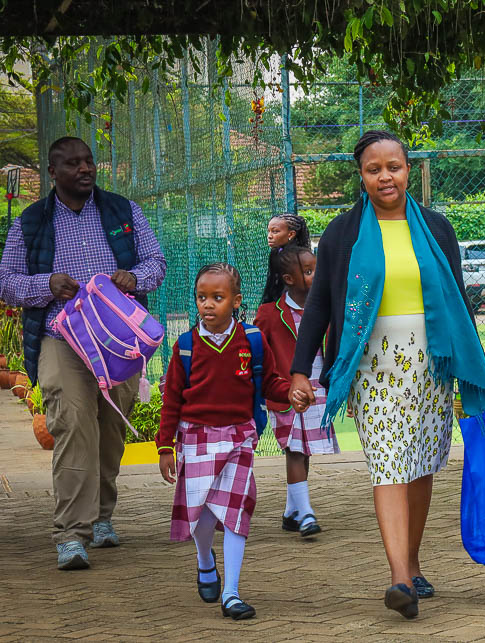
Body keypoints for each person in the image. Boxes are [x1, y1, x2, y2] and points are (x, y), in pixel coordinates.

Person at [288, 130, 485, 620]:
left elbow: (458, 304)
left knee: (421, 463)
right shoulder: (343, 233)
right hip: (372, 366)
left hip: (430, 364)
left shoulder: (438, 228)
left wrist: (473, 373)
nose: (385, 176)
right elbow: (320, 305)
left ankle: (414, 562)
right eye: (374, 169)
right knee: (388, 463)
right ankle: (399, 577)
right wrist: (301, 370)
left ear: (408, 169)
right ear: (361, 176)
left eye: (394, 167)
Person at [0, 136, 166, 571]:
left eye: (88, 161)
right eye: (72, 164)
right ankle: (71, 534)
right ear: (53, 173)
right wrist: (46, 285)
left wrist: (131, 278)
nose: (85, 168)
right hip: (62, 337)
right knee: (73, 423)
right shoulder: (31, 221)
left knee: (111, 426)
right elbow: (7, 282)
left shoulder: (122, 211)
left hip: (118, 337)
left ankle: (102, 518)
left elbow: (156, 263)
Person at [156, 263, 291, 621]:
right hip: (195, 436)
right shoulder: (184, 346)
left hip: (239, 436)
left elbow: (272, 383)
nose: (208, 305)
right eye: (202, 297)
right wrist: (165, 446)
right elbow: (172, 398)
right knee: (200, 515)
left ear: (236, 301)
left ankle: (231, 593)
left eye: (218, 297)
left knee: (235, 514)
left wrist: (292, 392)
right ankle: (204, 562)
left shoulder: (252, 341)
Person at [254, 244, 339, 538]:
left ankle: (292, 512)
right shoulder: (269, 314)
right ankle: (305, 514)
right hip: (286, 394)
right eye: (308, 271)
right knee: (294, 450)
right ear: (288, 279)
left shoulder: (326, 308)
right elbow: (257, 353)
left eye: (315, 269)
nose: (315, 275)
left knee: (305, 453)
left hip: (317, 390)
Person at [260, 213, 311, 305]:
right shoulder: (276, 253)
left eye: (275, 231)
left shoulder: (299, 257)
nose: (269, 236)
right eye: (269, 231)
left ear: (291, 234)